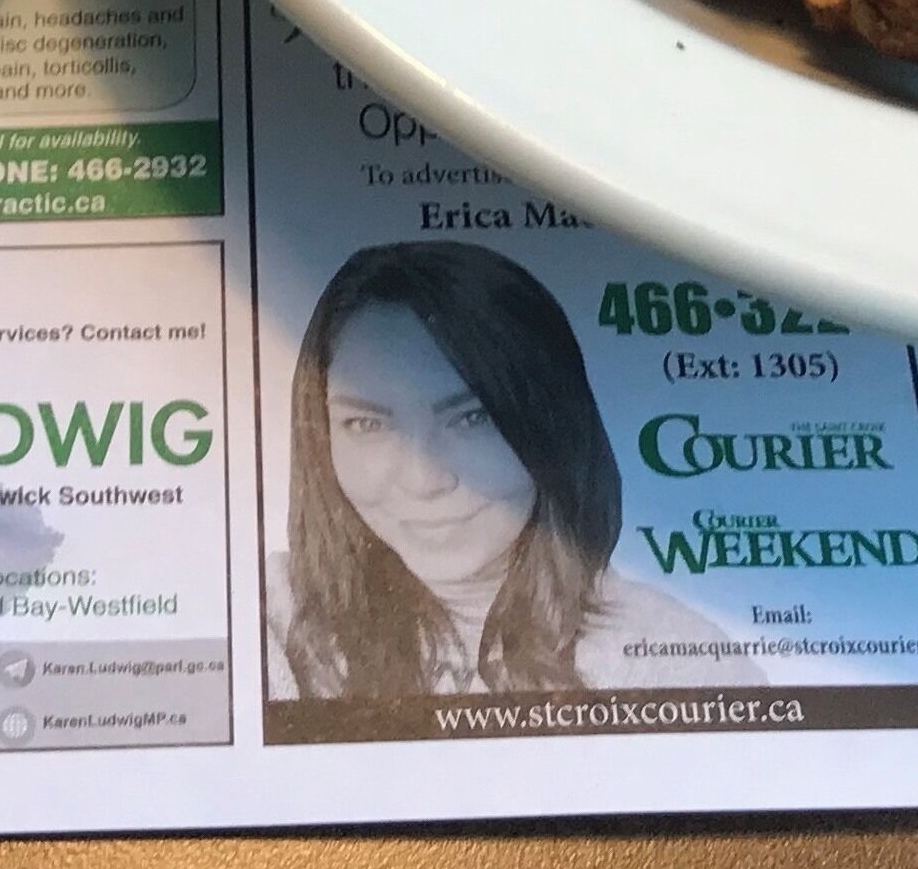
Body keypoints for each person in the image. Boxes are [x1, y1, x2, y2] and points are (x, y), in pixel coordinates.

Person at [269, 241, 753, 702]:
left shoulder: (680, 656)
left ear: (552, 425)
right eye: (368, 423)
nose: (423, 479)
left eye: (472, 418)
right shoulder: (266, 617)